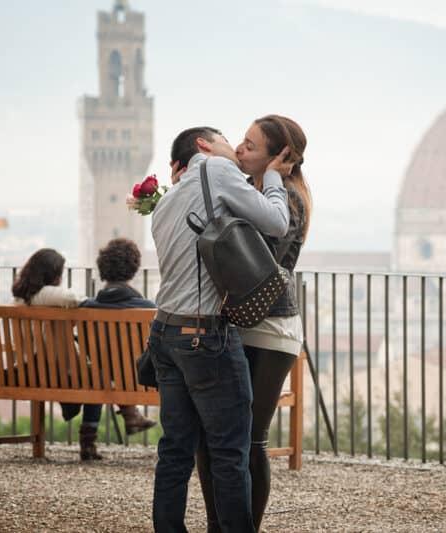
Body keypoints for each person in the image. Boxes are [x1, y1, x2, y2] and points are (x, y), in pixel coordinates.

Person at [149, 126, 292, 532]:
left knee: (175, 450)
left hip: (165, 332)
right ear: (205, 146)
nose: (235, 148)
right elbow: (278, 222)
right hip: (205, 334)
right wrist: (275, 179)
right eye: (228, 138)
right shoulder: (215, 169)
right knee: (230, 451)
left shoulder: (167, 201)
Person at [193, 115, 311, 532]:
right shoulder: (260, 192)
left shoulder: (287, 199)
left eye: (251, 145)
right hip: (245, 325)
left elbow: (259, 260)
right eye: (240, 141)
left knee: (251, 437)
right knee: (218, 437)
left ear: (280, 158)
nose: (240, 150)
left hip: (272, 330)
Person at [11, 246, 157, 462]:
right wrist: (90, 303)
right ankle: (125, 417)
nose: (61, 277)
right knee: (98, 375)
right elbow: (73, 299)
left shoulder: (22, 299)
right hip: (49, 371)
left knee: (97, 373)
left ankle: (117, 422)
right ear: (52, 275)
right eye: (59, 273)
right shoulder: (46, 295)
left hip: (30, 369)